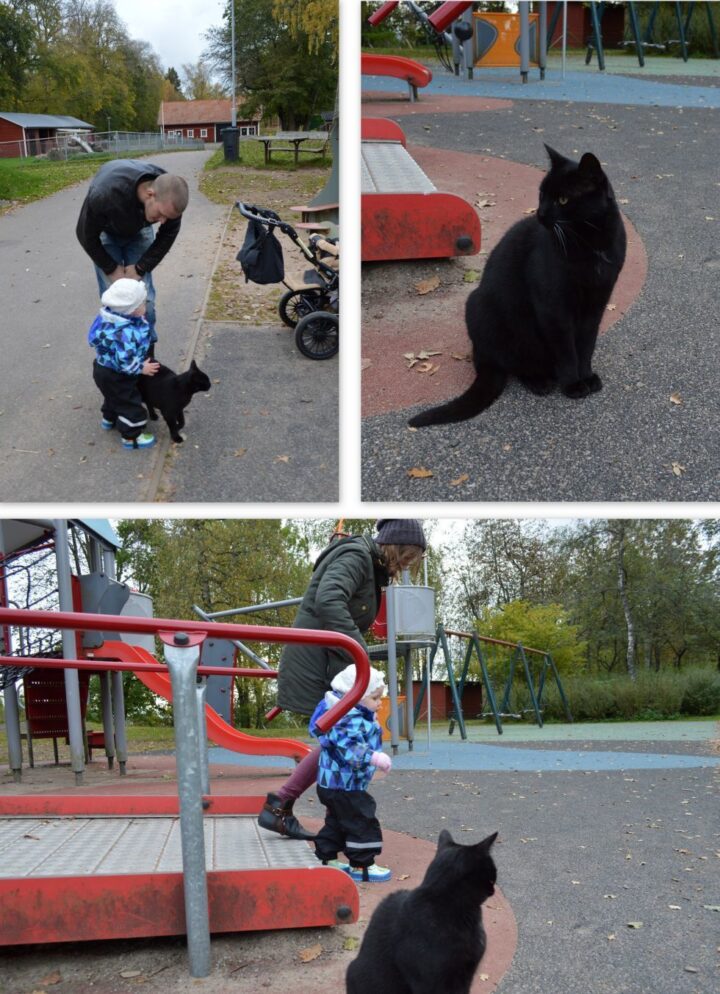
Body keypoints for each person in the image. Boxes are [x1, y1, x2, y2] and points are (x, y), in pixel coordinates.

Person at [258, 518, 427, 841]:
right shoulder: (357, 557)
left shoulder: (368, 564)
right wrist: (359, 652)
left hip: (329, 660)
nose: (405, 566)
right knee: (339, 739)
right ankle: (289, 806)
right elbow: (329, 599)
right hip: (319, 662)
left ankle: (289, 806)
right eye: (406, 558)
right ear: (396, 549)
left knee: (336, 740)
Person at [76, 159, 190, 346]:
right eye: (160, 215)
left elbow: (167, 236)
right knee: (116, 299)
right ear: (150, 194)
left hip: (139, 230)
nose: (162, 221)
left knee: (145, 300)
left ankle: (145, 348)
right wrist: (111, 268)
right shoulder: (105, 194)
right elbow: (85, 235)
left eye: (167, 218)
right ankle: (117, 351)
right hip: (107, 228)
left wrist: (140, 268)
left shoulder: (171, 198)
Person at [310, 664, 393, 882]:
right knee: (361, 818)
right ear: (353, 697)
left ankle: (326, 857)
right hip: (343, 785)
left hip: (335, 784)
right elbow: (349, 748)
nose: (379, 703)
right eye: (375, 698)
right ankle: (362, 864)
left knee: (339, 820)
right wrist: (374, 757)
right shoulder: (347, 718)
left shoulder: (350, 714)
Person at [88, 278, 159, 449]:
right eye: (143, 304)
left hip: (102, 367)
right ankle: (131, 436)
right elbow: (124, 360)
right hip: (117, 374)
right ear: (133, 310)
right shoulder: (125, 332)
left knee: (113, 396)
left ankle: (108, 419)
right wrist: (141, 367)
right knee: (129, 402)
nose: (145, 306)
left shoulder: (109, 318)